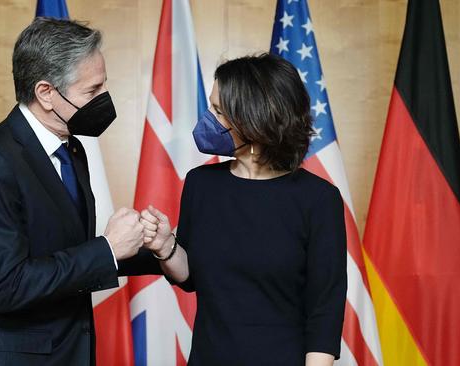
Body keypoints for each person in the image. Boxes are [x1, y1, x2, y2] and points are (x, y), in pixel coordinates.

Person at [0, 18, 160, 366]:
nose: (104, 99)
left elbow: (63, 254)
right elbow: (7, 286)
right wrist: (107, 248)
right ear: (45, 93)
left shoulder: (72, 149)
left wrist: (159, 251)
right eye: (92, 91)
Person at [140, 53, 347, 366]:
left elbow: (325, 310)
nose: (208, 118)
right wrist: (165, 247)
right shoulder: (201, 184)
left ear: (254, 120)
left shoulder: (318, 199)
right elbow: (191, 277)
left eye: (219, 111)